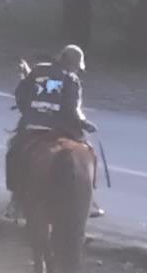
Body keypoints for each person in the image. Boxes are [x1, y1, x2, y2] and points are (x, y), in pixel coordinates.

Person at [11, 43, 103, 217]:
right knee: (88, 153)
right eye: (77, 67)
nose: (76, 70)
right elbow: (71, 108)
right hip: (60, 128)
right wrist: (84, 123)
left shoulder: (37, 71)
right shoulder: (71, 79)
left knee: (14, 153)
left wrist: (29, 112)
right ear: (73, 64)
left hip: (32, 126)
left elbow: (21, 95)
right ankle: (89, 200)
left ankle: (15, 200)